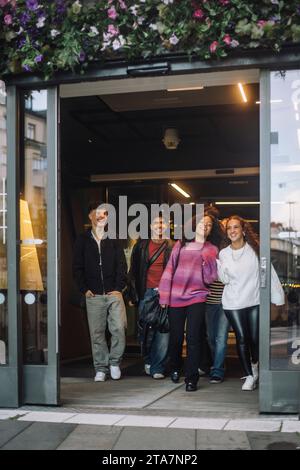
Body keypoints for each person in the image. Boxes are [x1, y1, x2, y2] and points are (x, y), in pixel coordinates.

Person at [217, 215, 285, 391]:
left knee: (254, 339)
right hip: (232, 302)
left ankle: (255, 368)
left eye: (236, 227)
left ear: (243, 230)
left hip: (253, 300)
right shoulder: (223, 253)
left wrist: (277, 296)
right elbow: (223, 280)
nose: (232, 231)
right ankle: (249, 375)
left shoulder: (255, 249)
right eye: (229, 228)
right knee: (241, 338)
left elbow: (268, 273)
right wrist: (221, 270)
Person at [159, 213, 220, 392]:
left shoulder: (212, 249)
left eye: (209, 225)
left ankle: (191, 379)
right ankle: (176, 368)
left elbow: (210, 279)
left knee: (194, 338)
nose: (205, 226)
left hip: (197, 296)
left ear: (211, 230)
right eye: (202, 223)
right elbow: (169, 269)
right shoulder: (181, 244)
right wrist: (164, 296)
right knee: (176, 337)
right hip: (176, 296)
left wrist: (208, 263)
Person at [73, 202, 128, 382]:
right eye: (96, 213)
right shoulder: (82, 240)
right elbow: (77, 267)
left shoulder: (114, 239)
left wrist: (118, 288)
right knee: (97, 332)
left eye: (104, 213)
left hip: (114, 293)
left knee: (119, 328)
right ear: (90, 216)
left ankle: (114, 363)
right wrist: (84, 289)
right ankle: (101, 368)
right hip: (93, 294)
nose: (100, 216)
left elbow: (122, 265)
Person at [128, 215, 174, 379]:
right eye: (156, 222)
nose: (159, 225)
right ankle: (148, 360)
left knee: (163, 330)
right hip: (146, 293)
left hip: (166, 294)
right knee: (146, 332)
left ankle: (157, 367)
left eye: (162, 223)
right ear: (150, 225)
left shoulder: (173, 246)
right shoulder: (140, 246)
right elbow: (133, 272)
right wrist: (134, 296)